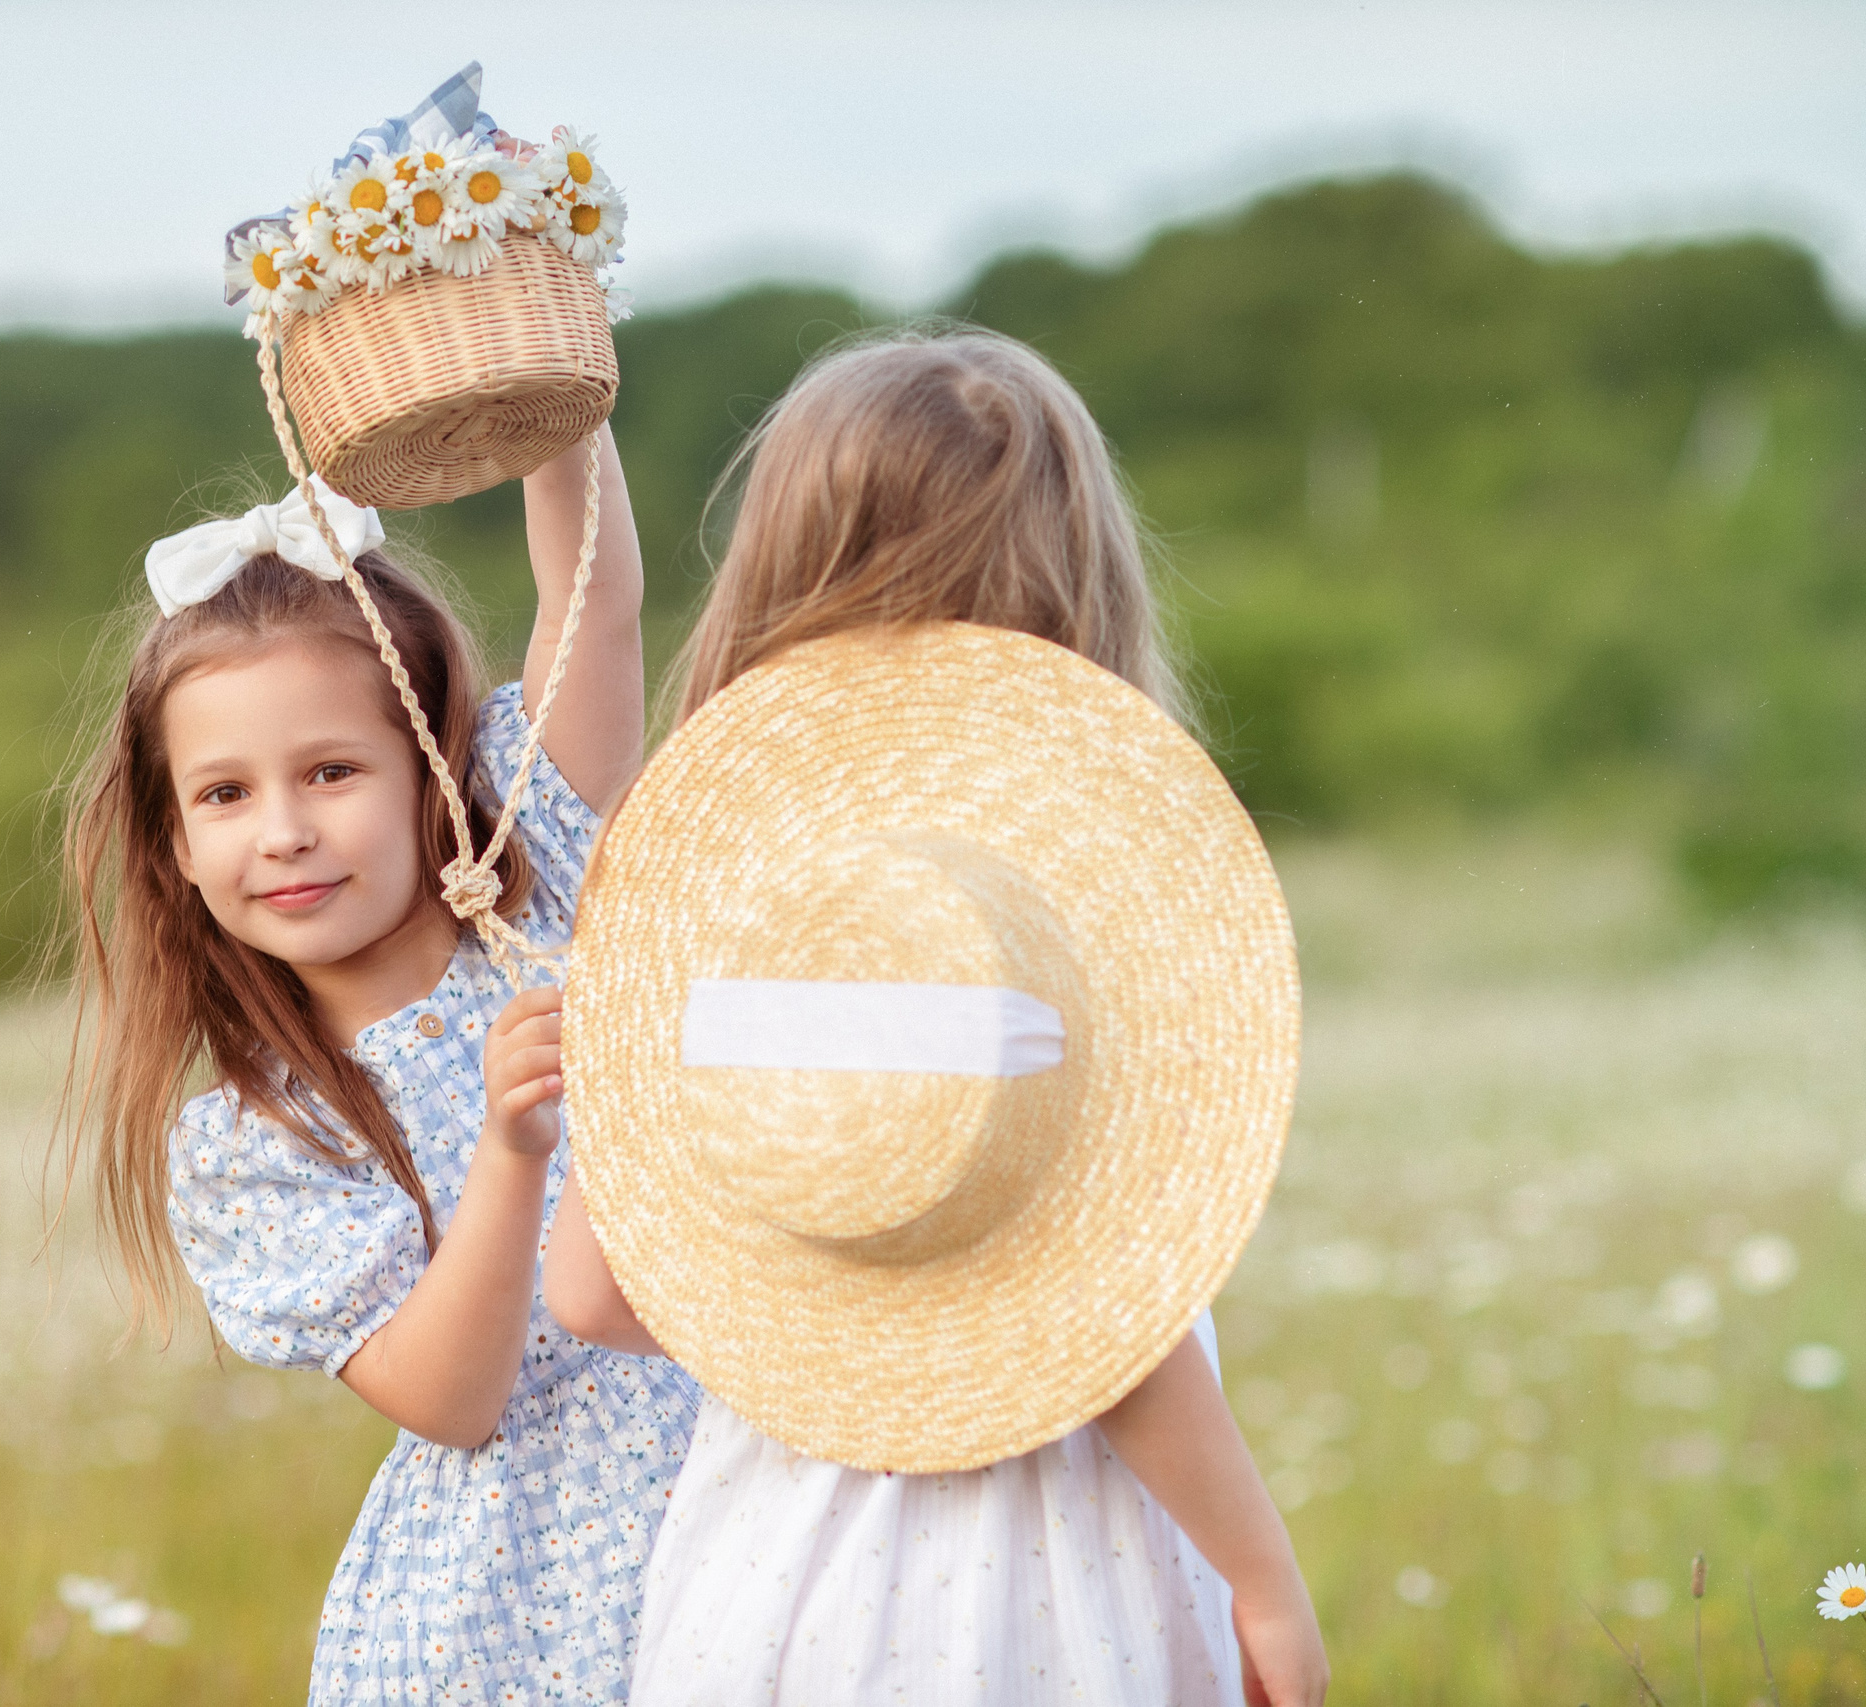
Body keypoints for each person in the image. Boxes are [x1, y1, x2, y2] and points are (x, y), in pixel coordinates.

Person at [542, 329, 1329, 1707]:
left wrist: (836, 1302)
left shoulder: (714, 879)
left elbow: (595, 1289)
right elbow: (1111, 1334)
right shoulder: (1072, 890)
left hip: (759, 1587)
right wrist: (1261, 1575)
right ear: (1083, 580)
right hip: (1031, 1602)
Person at [55, 431, 699, 1704]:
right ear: (173, 843)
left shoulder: (543, 854)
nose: (285, 831)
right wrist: (509, 1158)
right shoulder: (257, 1139)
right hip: (517, 1616)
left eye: (333, 772)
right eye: (225, 795)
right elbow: (451, 1400)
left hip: (736, 1494)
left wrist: (559, 405)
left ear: (433, 769)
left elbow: (594, 605)